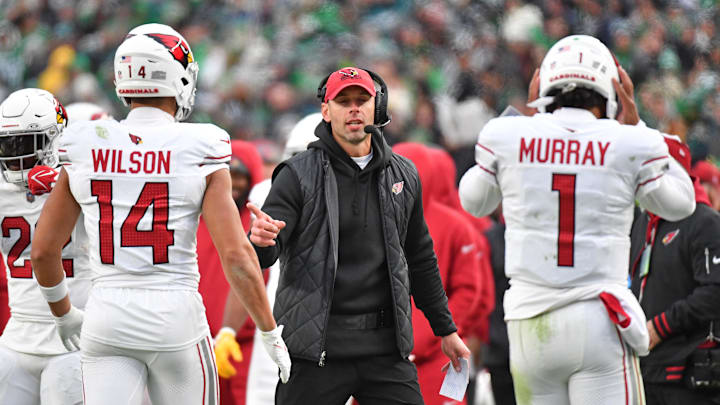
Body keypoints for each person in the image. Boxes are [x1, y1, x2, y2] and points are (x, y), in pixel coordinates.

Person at [29, 23, 290, 405]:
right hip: (176, 317)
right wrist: (268, 331)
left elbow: (43, 251)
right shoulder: (202, 143)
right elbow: (236, 256)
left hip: (107, 317)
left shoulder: (84, 142)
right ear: (176, 76)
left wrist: (64, 313)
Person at [459, 34, 696, 404]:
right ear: (613, 91)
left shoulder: (506, 134)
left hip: (529, 321)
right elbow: (682, 204)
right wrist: (639, 127)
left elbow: (473, 200)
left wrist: (533, 123)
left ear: (544, 85)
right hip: (599, 318)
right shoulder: (629, 141)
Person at [248, 66, 470, 405]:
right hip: (316, 350)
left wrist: (446, 329)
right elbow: (269, 247)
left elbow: (421, 257)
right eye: (343, 101)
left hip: (385, 349)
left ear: (376, 108)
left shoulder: (403, 173)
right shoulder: (296, 174)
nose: (354, 108)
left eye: (361, 100)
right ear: (326, 110)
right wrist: (261, 242)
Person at [215, 112, 323, 405]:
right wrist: (228, 329)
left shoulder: (358, 195)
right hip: (280, 321)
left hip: (333, 327)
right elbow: (252, 270)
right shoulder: (270, 192)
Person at [0, 88, 91, 405]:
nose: (14, 155)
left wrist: (64, 180)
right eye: (7, 144)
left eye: (26, 144)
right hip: (17, 336)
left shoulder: (83, 178)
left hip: (74, 336)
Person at [629, 137, 720, 405]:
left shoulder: (705, 222)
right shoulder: (643, 222)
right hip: (646, 373)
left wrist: (658, 327)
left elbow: (714, 293)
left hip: (689, 379)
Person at [393, 142, 484, 405]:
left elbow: (470, 290)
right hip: (384, 359)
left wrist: (438, 334)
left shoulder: (456, 226)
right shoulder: (374, 220)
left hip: (439, 357)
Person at [198, 140, 264, 405]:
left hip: (245, 345)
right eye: (225, 176)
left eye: (239, 176)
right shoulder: (197, 219)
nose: (232, 184)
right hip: (199, 343)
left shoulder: (258, 225)